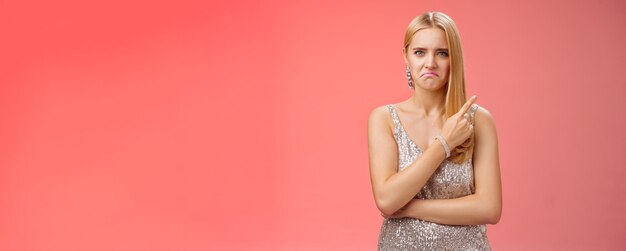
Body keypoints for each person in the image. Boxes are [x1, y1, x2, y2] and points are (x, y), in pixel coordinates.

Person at [367, 11, 502, 250]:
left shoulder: (478, 121)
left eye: (442, 53)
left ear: (455, 59)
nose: (430, 63)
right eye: (420, 52)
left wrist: (409, 207)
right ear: (406, 57)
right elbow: (387, 200)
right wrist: (444, 144)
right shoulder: (384, 119)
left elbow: (489, 208)